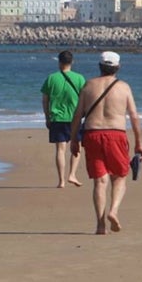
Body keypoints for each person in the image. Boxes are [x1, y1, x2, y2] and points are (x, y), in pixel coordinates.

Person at [70, 51, 142, 235]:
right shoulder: (124, 88)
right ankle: (113, 210)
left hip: (92, 135)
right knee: (119, 176)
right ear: (118, 67)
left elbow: (77, 116)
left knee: (100, 181)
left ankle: (100, 224)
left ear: (100, 66)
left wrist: (73, 140)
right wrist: (139, 142)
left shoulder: (88, 85)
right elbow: (134, 116)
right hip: (116, 134)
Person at [40, 49, 86, 188]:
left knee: (60, 149)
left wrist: (47, 117)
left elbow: (45, 100)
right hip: (75, 117)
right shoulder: (79, 78)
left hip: (57, 118)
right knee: (76, 147)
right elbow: (84, 98)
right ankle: (72, 174)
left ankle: (61, 181)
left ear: (59, 62)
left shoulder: (51, 78)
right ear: (72, 62)